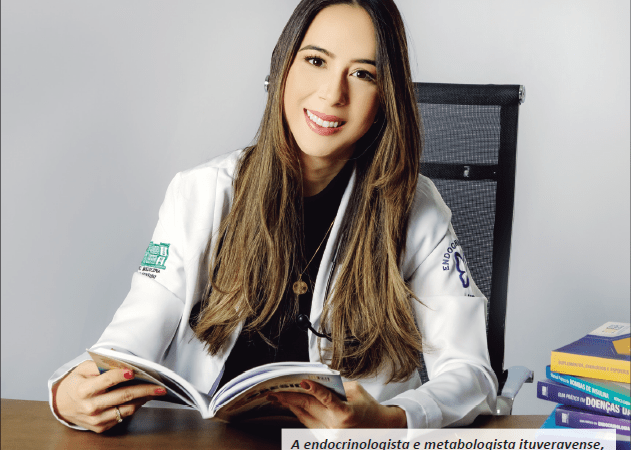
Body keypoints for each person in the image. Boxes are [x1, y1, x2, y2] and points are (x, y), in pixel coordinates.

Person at [49, 0, 498, 433]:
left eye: (363, 74)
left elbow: (471, 372)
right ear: (283, 68)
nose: (332, 94)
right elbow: (131, 338)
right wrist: (68, 392)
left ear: (387, 98)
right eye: (316, 61)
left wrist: (390, 421)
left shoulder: (415, 207)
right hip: (207, 440)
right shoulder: (202, 192)